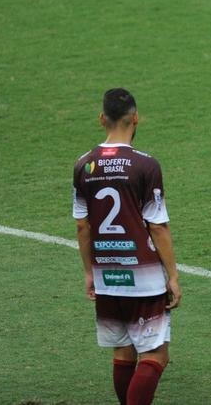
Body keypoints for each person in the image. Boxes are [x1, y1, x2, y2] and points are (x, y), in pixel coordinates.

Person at [73, 88, 180, 404]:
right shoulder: (145, 165)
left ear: (101, 119)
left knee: (124, 349)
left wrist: (89, 271)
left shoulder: (83, 165)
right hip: (143, 278)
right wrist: (172, 275)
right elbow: (157, 225)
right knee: (156, 355)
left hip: (107, 275)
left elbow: (82, 226)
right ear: (136, 118)